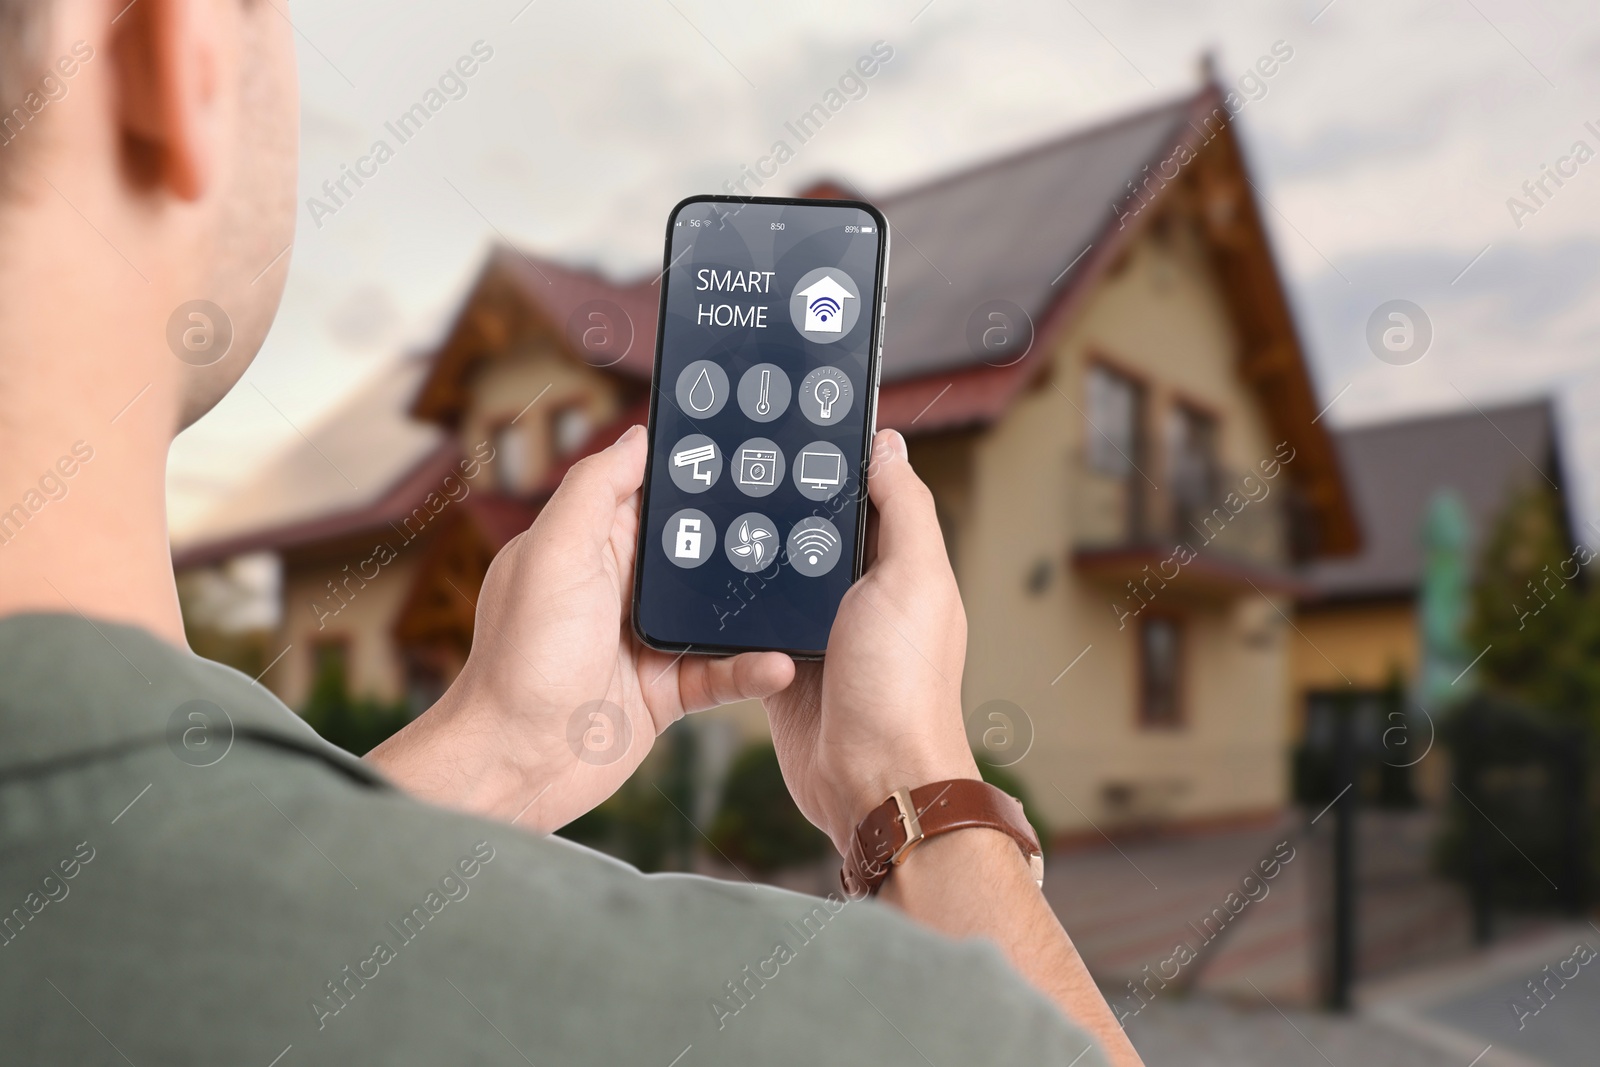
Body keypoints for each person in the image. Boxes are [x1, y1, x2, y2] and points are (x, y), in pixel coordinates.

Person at [0, 1, 1140, 1063]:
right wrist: (913, 776)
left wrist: (502, 747)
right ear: (172, 56)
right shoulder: (758, 1015)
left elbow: (230, 928)